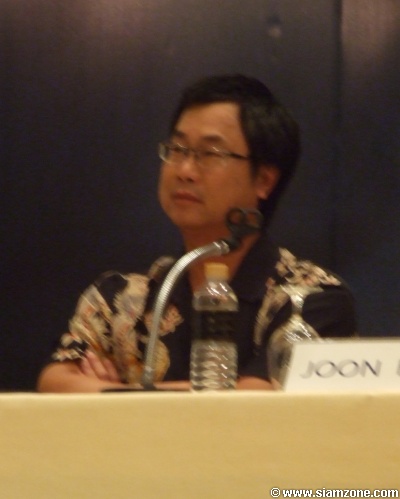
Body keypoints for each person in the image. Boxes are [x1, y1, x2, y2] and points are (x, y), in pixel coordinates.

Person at [37, 74, 356, 393]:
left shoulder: (310, 298)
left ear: (264, 180)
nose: (185, 170)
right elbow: (55, 382)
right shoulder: (120, 299)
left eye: (211, 154)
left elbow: (251, 402)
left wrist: (118, 397)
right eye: (177, 149)